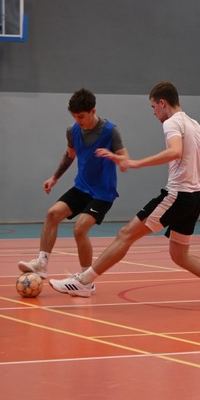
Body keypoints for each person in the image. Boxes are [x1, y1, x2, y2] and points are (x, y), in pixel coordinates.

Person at [49, 81, 200, 307]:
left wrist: (136, 163)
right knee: (179, 255)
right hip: (195, 196)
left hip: (177, 195)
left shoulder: (172, 122)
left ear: (162, 103)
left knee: (125, 234)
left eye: (153, 107)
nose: (154, 113)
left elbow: (175, 151)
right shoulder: (194, 124)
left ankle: (83, 282)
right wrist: (190, 181)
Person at [18, 88, 128, 288]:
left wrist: (112, 156)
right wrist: (55, 177)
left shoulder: (110, 131)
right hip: (82, 187)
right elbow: (70, 155)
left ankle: (86, 281)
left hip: (103, 193)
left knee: (79, 229)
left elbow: (125, 160)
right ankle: (42, 263)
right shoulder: (73, 131)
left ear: (93, 111)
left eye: (81, 116)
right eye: (74, 116)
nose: (78, 120)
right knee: (52, 214)